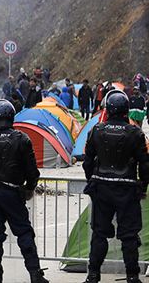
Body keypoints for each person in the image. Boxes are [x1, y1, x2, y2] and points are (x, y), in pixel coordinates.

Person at [0, 99, 48, 283]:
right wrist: (28, 189)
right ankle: (35, 274)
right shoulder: (21, 139)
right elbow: (32, 172)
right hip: (12, 191)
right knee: (23, 232)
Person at [82, 89, 149, 283]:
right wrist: (142, 186)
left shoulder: (96, 130)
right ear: (126, 110)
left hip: (102, 187)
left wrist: (91, 181)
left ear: (108, 109)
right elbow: (145, 163)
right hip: (127, 188)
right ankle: (132, 276)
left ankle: (93, 274)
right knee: (129, 236)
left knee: (99, 234)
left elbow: (88, 161)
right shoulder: (135, 133)